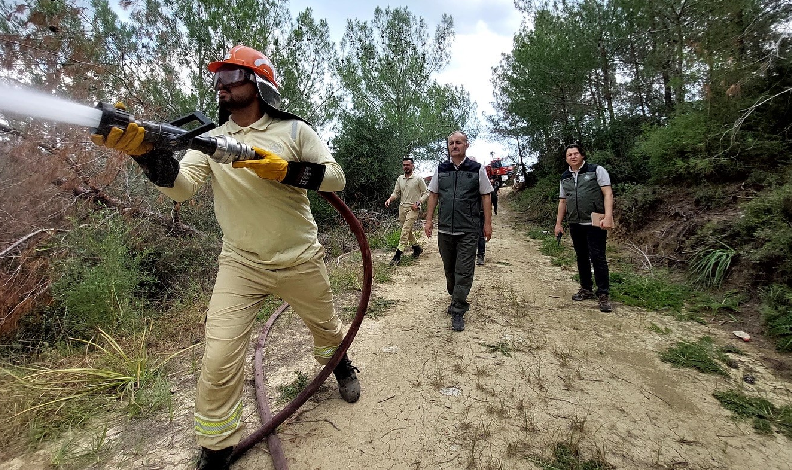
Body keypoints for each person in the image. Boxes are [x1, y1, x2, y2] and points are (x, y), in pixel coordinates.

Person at [91, 45, 361, 470]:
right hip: (241, 264)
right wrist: (147, 156)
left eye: (230, 76)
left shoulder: (293, 132)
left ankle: (340, 365)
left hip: (300, 258)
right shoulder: (210, 142)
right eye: (216, 79)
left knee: (326, 327)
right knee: (218, 356)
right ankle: (216, 447)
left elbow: (337, 177)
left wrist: (284, 170)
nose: (220, 85)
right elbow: (182, 188)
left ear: (258, 83)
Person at [424, 131, 493, 331]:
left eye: (459, 143)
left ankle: (458, 309)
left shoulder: (477, 169)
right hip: (445, 229)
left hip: (468, 229)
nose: (455, 146)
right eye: (451, 143)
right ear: (448, 147)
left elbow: (486, 196)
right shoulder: (441, 169)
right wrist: (429, 221)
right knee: (449, 268)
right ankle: (455, 295)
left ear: (466, 145)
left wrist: (487, 224)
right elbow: (433, 194)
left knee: (464, 270)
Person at [553, 144, 614, 313]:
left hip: (596, 221)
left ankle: (603, 294)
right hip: (575, 222)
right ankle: (586, 288)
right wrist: (559, 224)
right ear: (566, 158)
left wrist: (608, 216)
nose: (573, 156)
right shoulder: (565, 176)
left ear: (582, 155)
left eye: (576, 153)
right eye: (569, 155)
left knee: (598, 256)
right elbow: (563, 201)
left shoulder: (596, 170)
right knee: (581, 256)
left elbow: (607, 193)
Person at [384, 157, 429, 265]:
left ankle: (398, 255)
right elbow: (396, 193)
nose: (406, 167)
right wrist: (390, 199)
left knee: (405, 230)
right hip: (402, 208)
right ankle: (416, 247)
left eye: (408, 165)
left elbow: (426, 193)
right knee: (407, 230)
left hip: (413, 208)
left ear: (412, 166)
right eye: (404, 165)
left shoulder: (418, 179)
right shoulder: (400, 179)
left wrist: (418, 203)